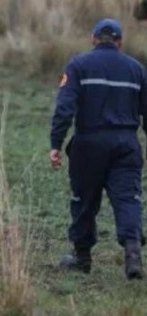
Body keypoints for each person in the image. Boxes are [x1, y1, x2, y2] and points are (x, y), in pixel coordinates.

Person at [50, 18, 147, 279]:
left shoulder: (78, 65)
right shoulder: (137, 70)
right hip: (126, 145)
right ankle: (133, 252)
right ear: (120, 42)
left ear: (93, 39)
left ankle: (82, 258)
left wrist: (56, 144)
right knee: (128, 198)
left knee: (84, 201)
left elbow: (64, 108)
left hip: (88, 145)